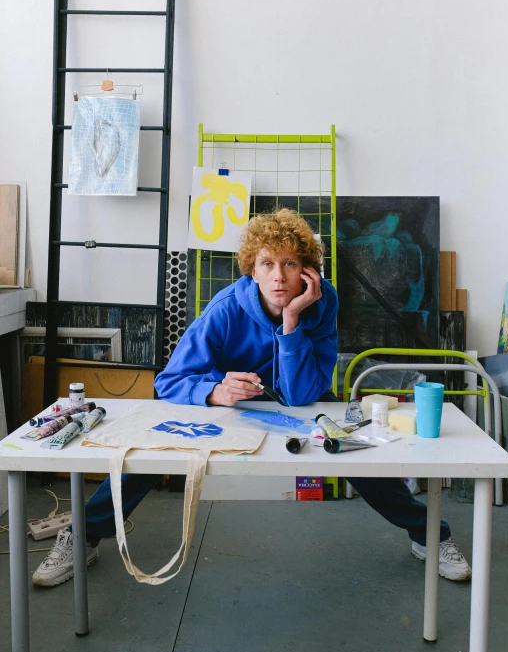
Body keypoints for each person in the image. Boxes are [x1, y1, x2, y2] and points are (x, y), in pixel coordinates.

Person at [33, 208, 471, 587]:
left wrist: (293, 319)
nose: (278, 277)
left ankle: (430, 533)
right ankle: (83, 536)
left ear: (307, 270)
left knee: (354, 455)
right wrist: (214, 390)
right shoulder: (226, 309)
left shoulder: (322, 302)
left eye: (289, 263)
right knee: (157, 453)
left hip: (303, 400)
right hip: (232, 406)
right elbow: (169, 381)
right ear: (252, 268)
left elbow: (302, 395)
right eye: (266, 264)